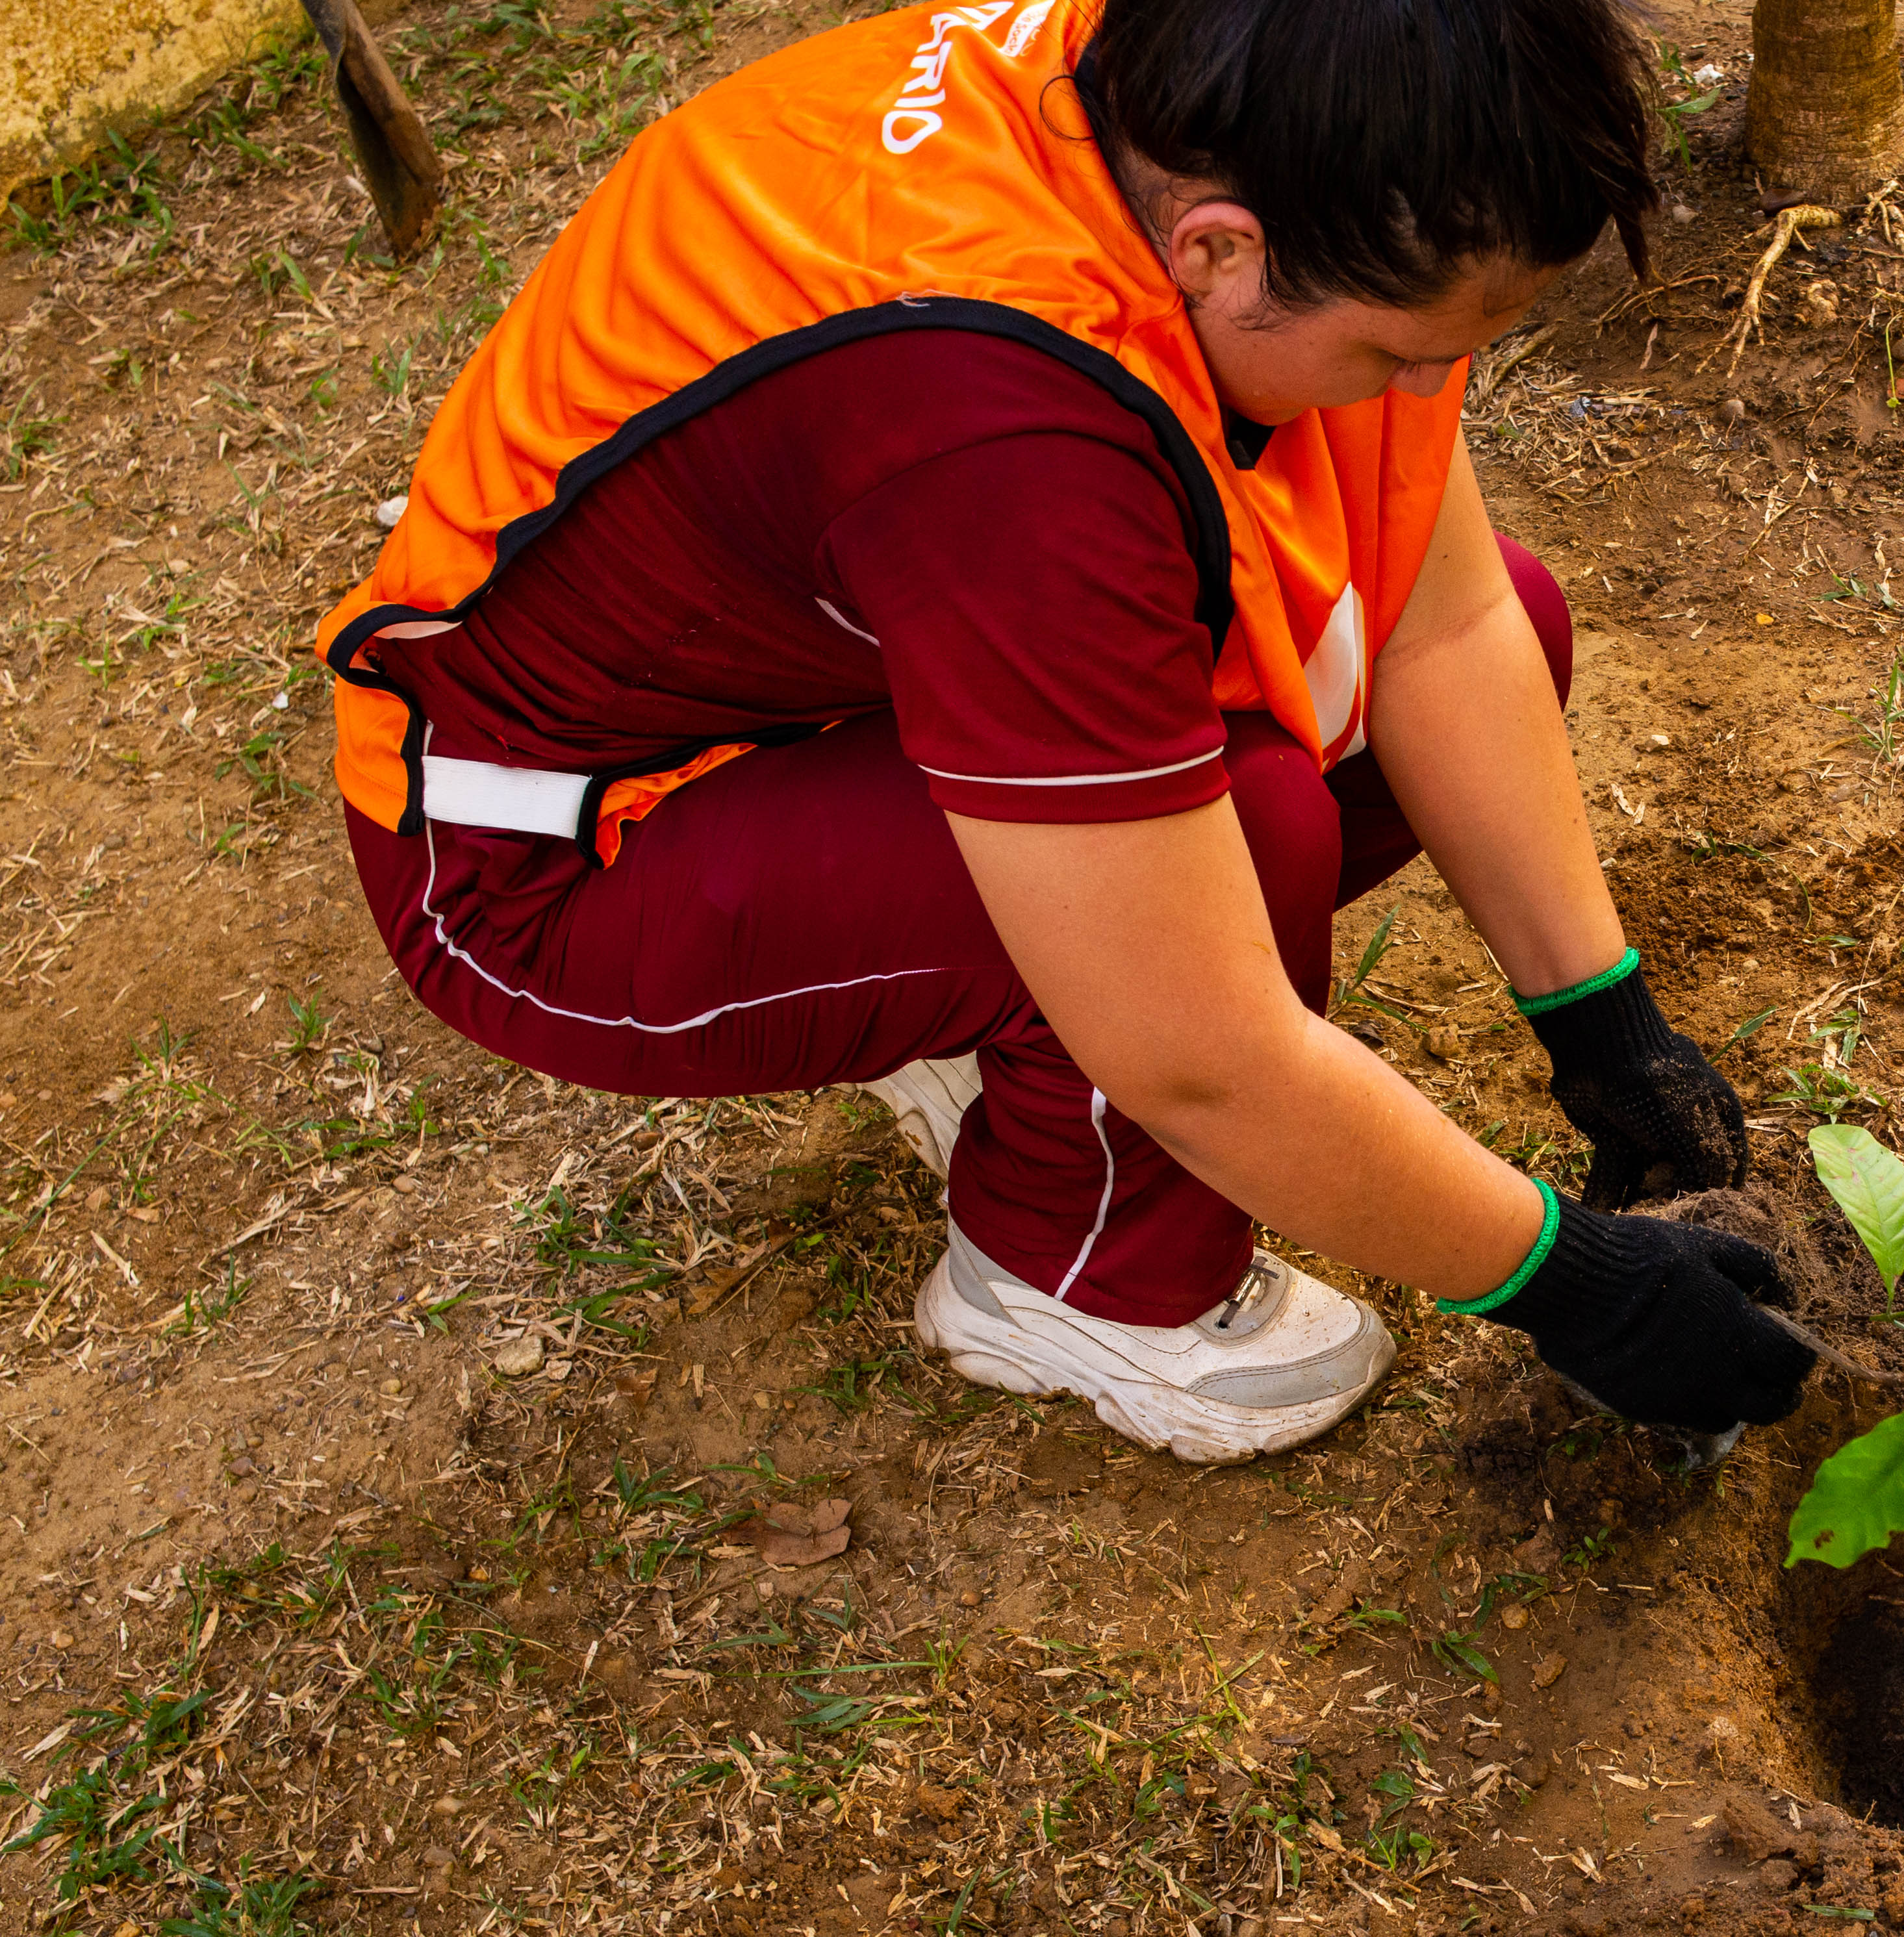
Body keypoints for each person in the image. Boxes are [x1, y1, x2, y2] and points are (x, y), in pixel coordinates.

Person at [315, 0, 1816, 1463]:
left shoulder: (1231, 112)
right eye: (1393, 354)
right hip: (547, 864)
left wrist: (1600, 1020)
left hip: (825, 689)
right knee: (1252, 821)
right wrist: (1563, 1281)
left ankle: (959, 991)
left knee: (1499, 629)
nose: (1429, 387)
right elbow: (1203, 1053)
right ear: (1218, 250)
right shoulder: (1008, 432)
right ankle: (1075, 1279)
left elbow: (1451, 621)